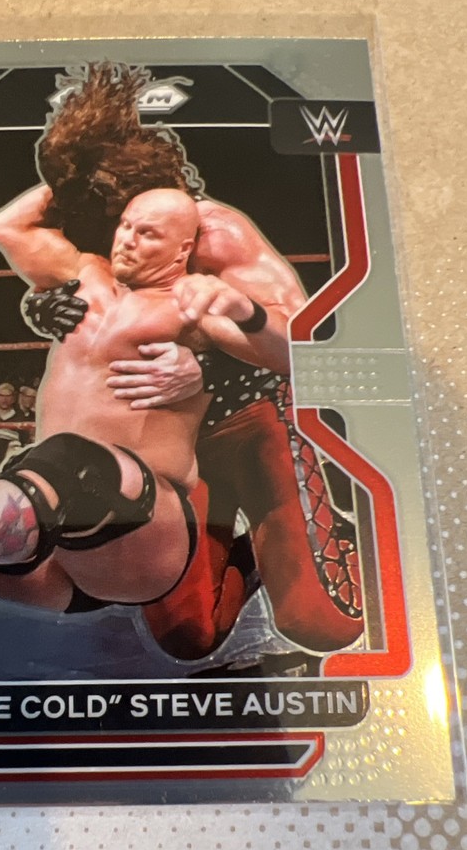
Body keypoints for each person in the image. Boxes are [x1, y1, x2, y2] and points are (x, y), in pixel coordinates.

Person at [19, 61, 364, 654]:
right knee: (187, 637)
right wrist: (39, 304)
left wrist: (211, 365)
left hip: (251, 418)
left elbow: (308, 351)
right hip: (172, 449)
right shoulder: (99, 223)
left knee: (321, 624)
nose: (119, 236)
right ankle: (251, 561)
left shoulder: (217, 235)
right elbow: (32, 244)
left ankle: (323, 541)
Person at [0, 186, 277, 623]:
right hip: (47, 554)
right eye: (125, 225)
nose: (128, 240)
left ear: (183, 248)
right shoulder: (83, 274)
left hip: (135, 527)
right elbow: (7, 226)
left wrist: (220, 353)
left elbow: (289, 356)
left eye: (148, 233)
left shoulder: (193, 305)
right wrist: (87, 172)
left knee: (73, 461)